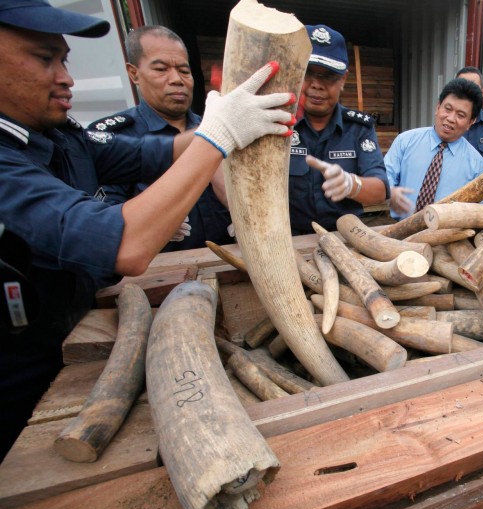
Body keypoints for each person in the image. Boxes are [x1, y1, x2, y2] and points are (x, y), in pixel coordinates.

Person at [0, 0, 294, 458]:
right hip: (17, 371)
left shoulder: (57, 135)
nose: (67, 77)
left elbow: (148, 154)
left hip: (77, 337)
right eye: (44, 59)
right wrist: (218, 136)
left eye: (65, 59)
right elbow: (128, 246)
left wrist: (226, 122)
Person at [87, 25, 234, 252]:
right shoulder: (115, 137)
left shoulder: (218, 132)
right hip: (158, 274)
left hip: (228, 264)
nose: (177, 79)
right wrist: (149, 221)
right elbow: (105, 219)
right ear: (134, 73)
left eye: (184, 71)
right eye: (161, 69)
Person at [289, 24, 389, 235]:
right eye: (309, 73)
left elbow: (380, 190)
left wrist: (352, 184)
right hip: (289, 243)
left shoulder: (358, 128)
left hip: (346, 240)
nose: (317, 85)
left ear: (343, 79)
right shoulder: (279, 125)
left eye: (328, 76)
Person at [386, 77, 483, 219]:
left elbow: (478, 212)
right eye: (448, 109)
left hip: (446, 237)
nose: (451, 118)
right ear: (438, 107)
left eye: (461, 115)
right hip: (400, 233)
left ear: (471, 122)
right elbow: (385, 176)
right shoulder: (405, 141)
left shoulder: (476, 164)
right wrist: (390, 192)